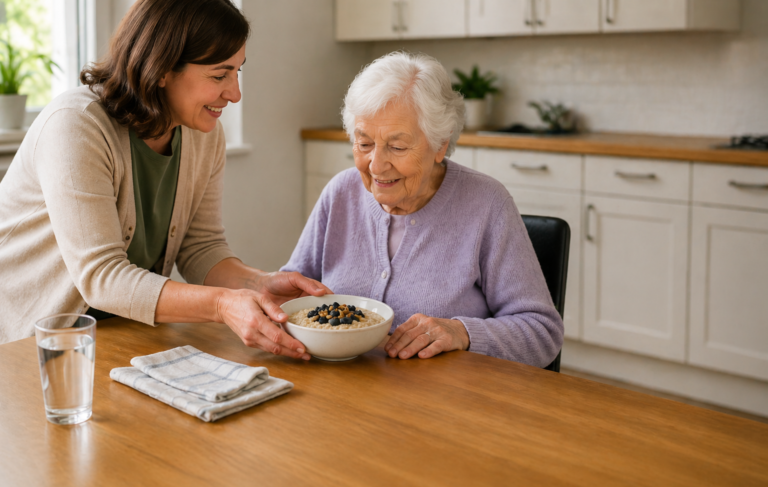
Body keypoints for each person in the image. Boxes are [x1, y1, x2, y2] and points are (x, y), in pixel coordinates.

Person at [0, 0, 328, 358]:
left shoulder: (204, 134)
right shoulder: (75, 126)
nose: (234, 93)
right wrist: (221, 305)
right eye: (220, 75)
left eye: (237, 72)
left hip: (117, 334)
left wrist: (259, 284)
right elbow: (102, 277)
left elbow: (201, 247)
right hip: (27, 344)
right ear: (161, 70)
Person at [282, 52, 563, 366]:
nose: (376, 165)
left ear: (439, 144)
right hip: (341, 392)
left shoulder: (487, 204)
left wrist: (461, 332)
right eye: (364, 143)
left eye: (398, 146)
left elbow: (542, 333)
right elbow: (291, 293)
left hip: (442, 404)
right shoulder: (341, 192)